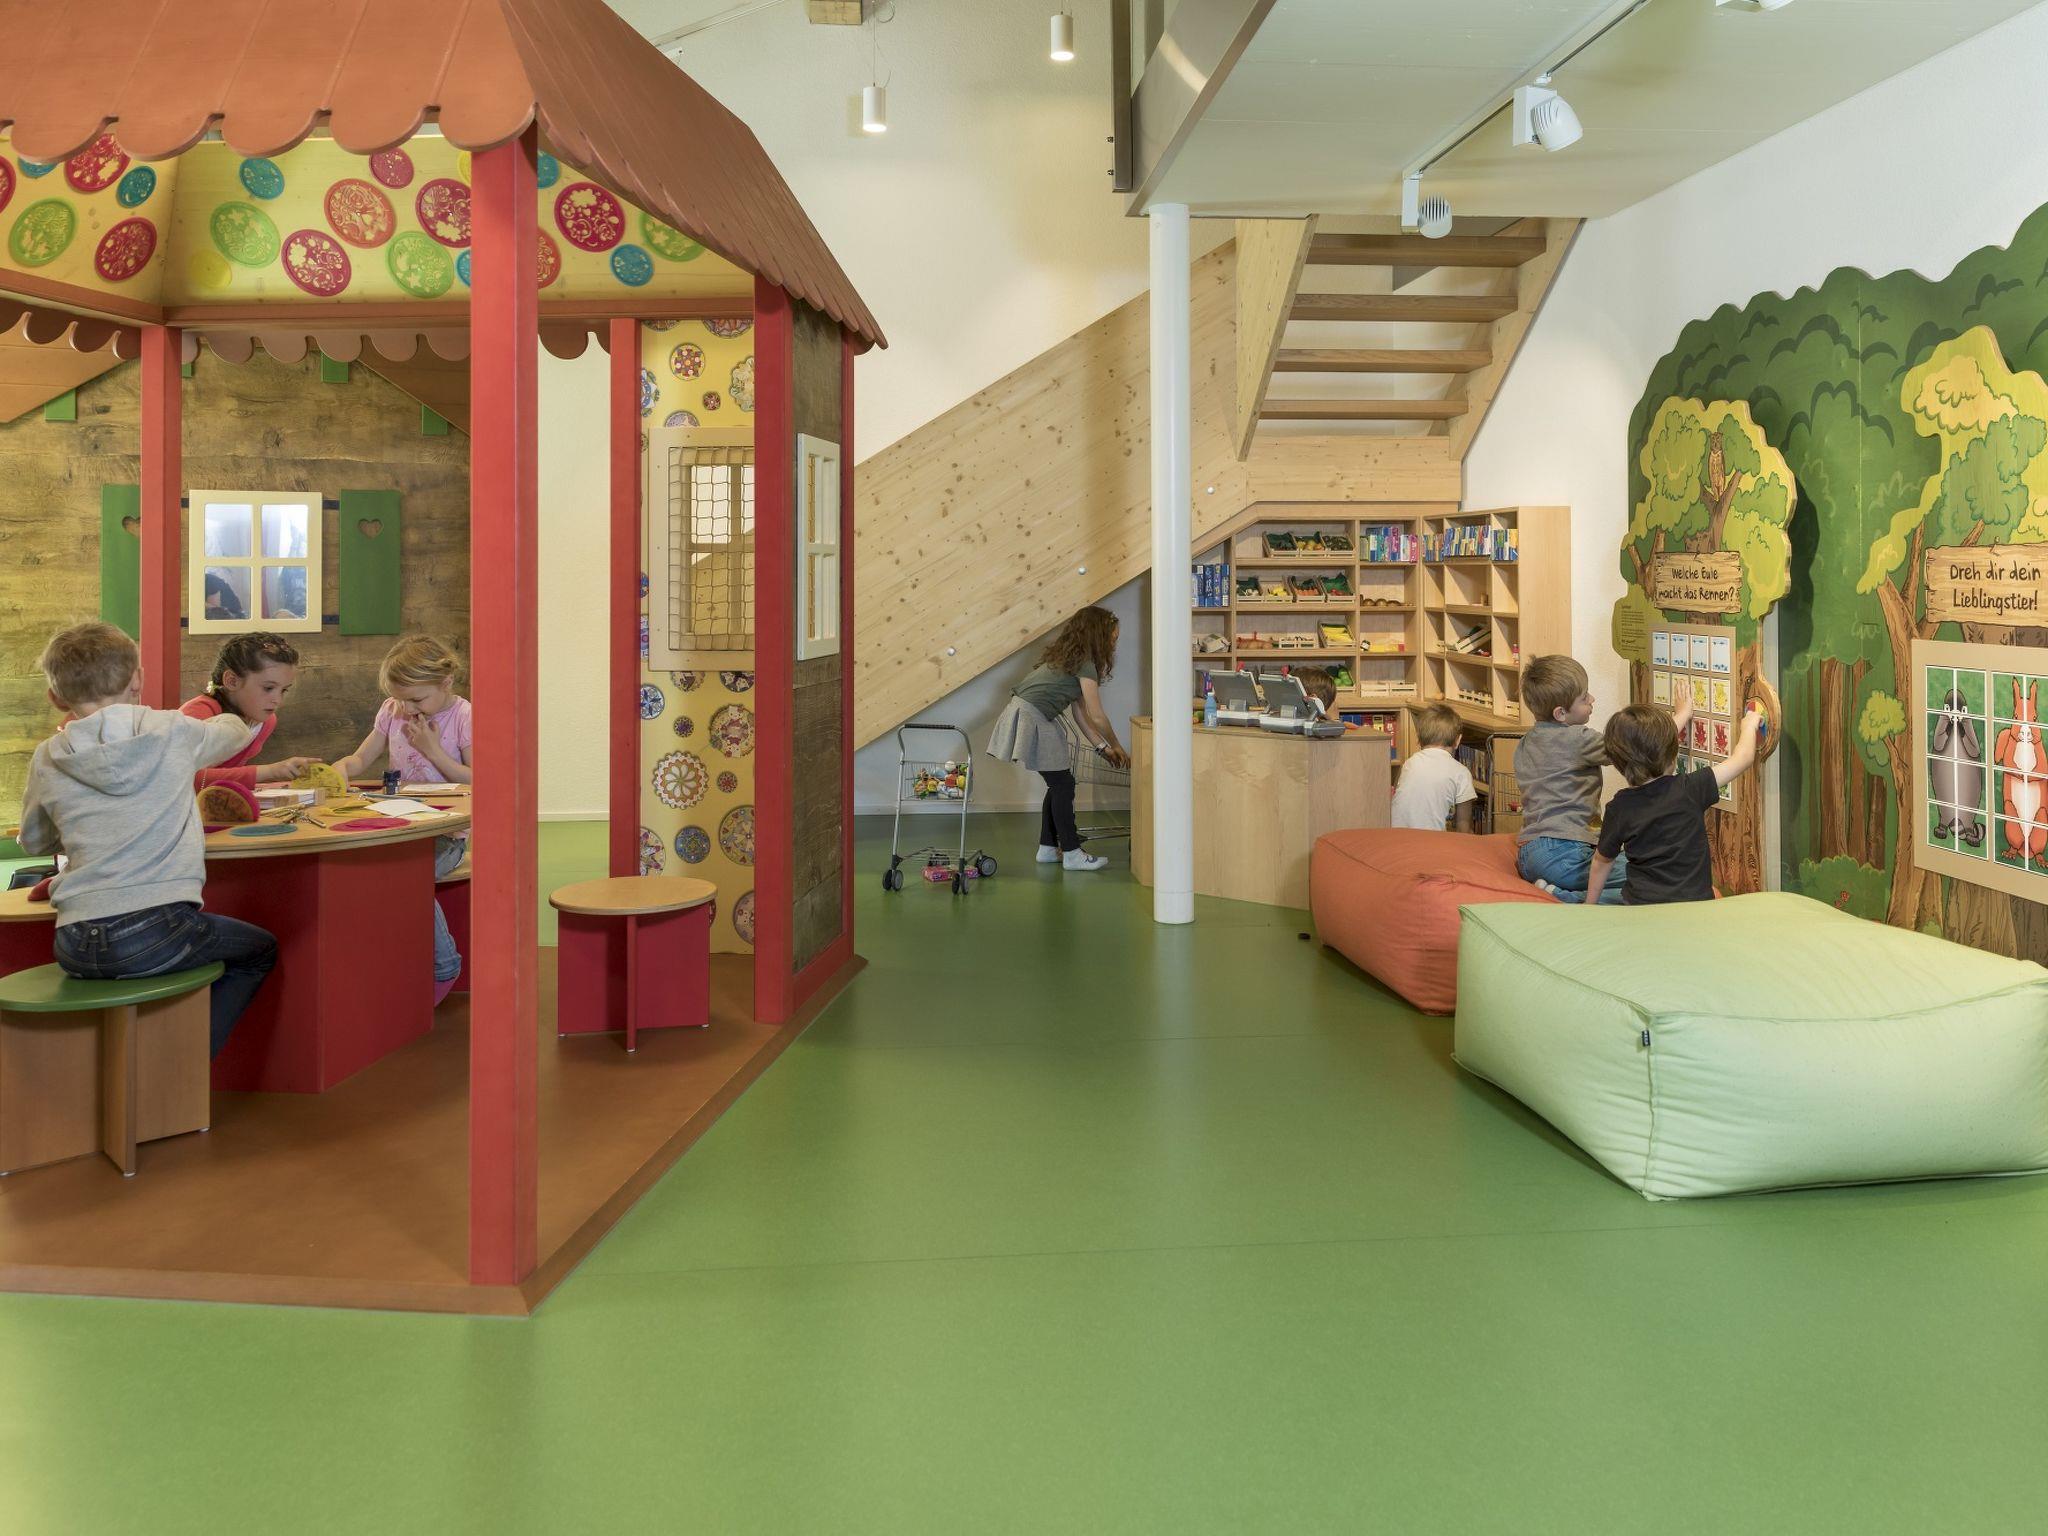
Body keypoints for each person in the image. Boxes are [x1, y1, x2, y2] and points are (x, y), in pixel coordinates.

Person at [19, 623, 277, 1057]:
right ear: (137, 679)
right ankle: (184, 1071)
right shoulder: (171, 730)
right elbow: (234, 731)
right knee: (259, 951)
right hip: (157, 930)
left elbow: (34, 841)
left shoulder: (48, 755)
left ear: (55, 697)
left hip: (73, 940)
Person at [336, 636, 473, 1002]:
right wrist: (341, 768)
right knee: (363, 871)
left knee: (409, 876)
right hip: (399, 827)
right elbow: (361, 758)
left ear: (446, 683)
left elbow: (477, 779)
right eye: (400, 699)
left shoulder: (462, 716)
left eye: (417, 700)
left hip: (447, 835)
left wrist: (432, 750)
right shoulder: (391, 710)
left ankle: (444, 966)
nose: (408, 708)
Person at [1512, 654, 1694, 904]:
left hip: (1530, 855)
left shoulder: (1526, 742)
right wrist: (1682, 714)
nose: (1592, 699)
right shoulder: (1577, 739)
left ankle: (1556, 890)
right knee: (1651, 873)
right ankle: (1568, 899)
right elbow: (1640, 745)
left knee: (1629, 864)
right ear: (1561, 713)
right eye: (1584, 697)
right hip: (1564, 854)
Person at [987, 606, 1128, 872]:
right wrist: (1116, 745)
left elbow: (1080, 714)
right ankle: (1072, 853)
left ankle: (1048, 848)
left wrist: (1102, 748)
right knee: (1062, 784)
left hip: (1028, 712)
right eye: (1112, 637)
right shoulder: (1086, 663)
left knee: (1059, 783)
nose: (1113, 643)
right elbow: (1097, 716)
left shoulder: (1070, 659)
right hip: (1032, 714)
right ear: (1098, 635)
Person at [1584, 702, 1763, 905]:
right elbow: (1743, 758)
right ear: (1672, 754)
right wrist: (1749, 725)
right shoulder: (1690, 789)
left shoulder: (1619, 807)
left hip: (1642, 908)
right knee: (1716, 893)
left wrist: (1589, 905)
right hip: (1694, 906)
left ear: (1618, 763)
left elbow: (1602, 861)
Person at [183, 633, 317, 790]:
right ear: (232, 681)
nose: (278, 700)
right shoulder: (196, 715)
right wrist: (270, 772)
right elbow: (183, 778)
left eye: (284, 690)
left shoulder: (266, 721)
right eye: (268, 688)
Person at [1391, 703, 1476, 831]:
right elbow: (1463, 828)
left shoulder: (1409, 763)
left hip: (1396, 836)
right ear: (1458, 740)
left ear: (1418, 737)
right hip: (1432, 840)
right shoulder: (1461, 773)